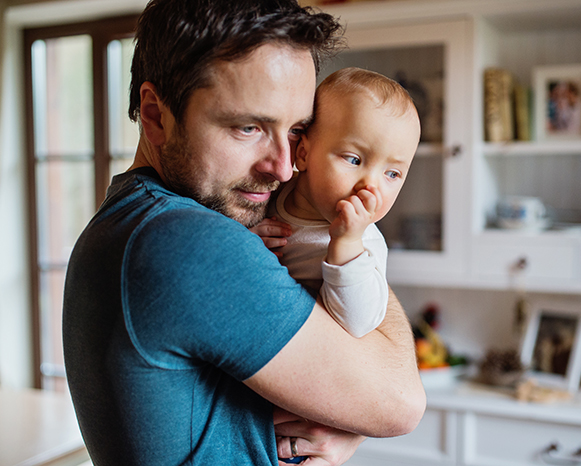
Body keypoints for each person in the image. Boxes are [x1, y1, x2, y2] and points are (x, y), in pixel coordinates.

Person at [61, 1, 426, 465]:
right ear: (155, 115)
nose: (282, 166)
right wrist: (354, 248)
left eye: (296, 130)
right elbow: (400, 404)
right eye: (248, 127)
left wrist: (342, 418)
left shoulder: (126, 219)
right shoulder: (188, 243)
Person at [252, 67, 420, 339]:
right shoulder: (271, 191)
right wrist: (248, 241)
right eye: (354, 160)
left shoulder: (364, 245)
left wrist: (346, 244)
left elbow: (358, 322)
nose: (371, 185)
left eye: (392, 173)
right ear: (304, 154)